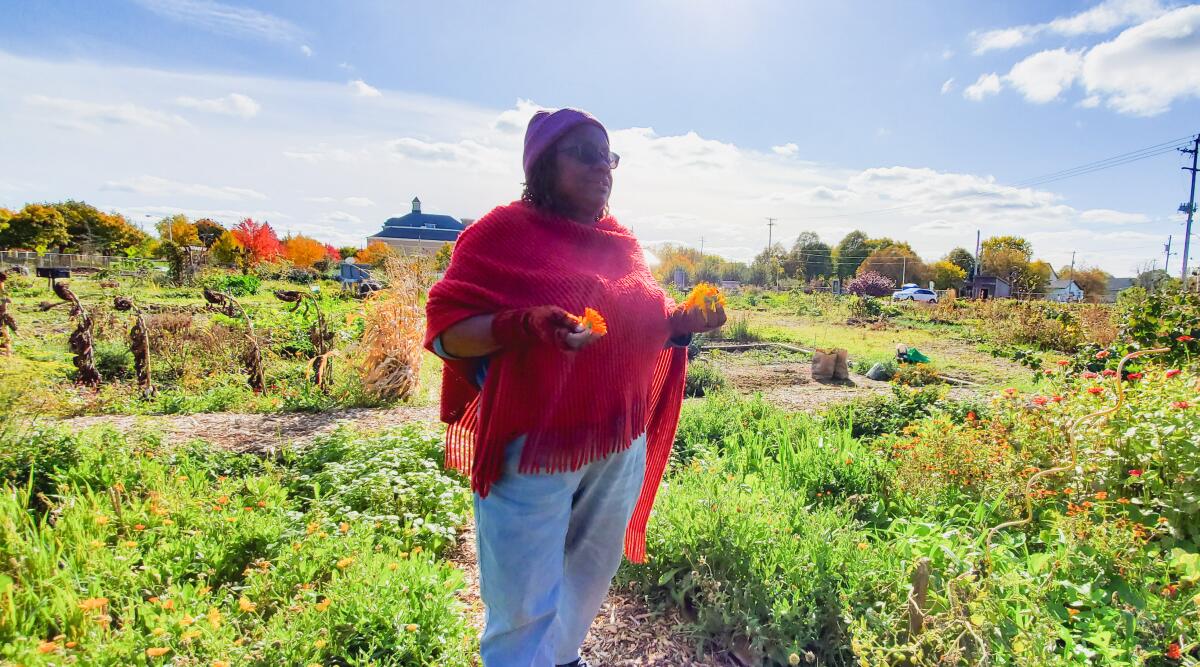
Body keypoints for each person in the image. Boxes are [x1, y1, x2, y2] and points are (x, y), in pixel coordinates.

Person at [424, 108, 725, 667]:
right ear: (541, 165)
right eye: (582, 154)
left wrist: (685, 321)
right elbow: (444, 332)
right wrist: (520, 325)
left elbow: (650, 317)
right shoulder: (500, 233)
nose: (601, 168)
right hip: (533, 444)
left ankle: (561, 659)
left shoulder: (621, 242)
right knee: (522, 599)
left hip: (618, 439)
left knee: (590, 571)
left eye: (607, 156)